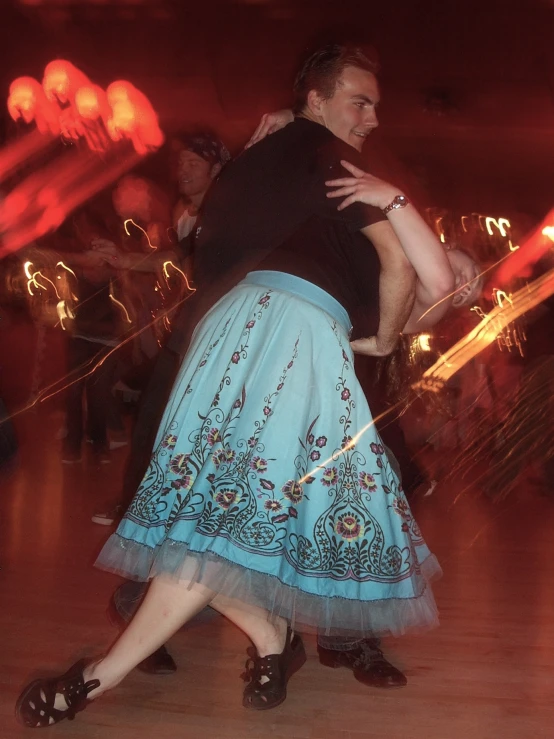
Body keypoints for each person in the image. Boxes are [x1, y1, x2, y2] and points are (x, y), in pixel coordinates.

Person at [16, 44, 455, 727]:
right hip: (256, 332)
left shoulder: (321, 170)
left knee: (208, 518)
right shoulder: (325, 164)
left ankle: (100, 677)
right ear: (318, 100)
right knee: (207, 517)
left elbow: (424, 270)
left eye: (374, 105)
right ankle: (272, 639)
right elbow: (404, 262)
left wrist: (383, 327)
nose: (371, 117)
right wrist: (383, 332)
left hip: (257, 336)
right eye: (359, 101)